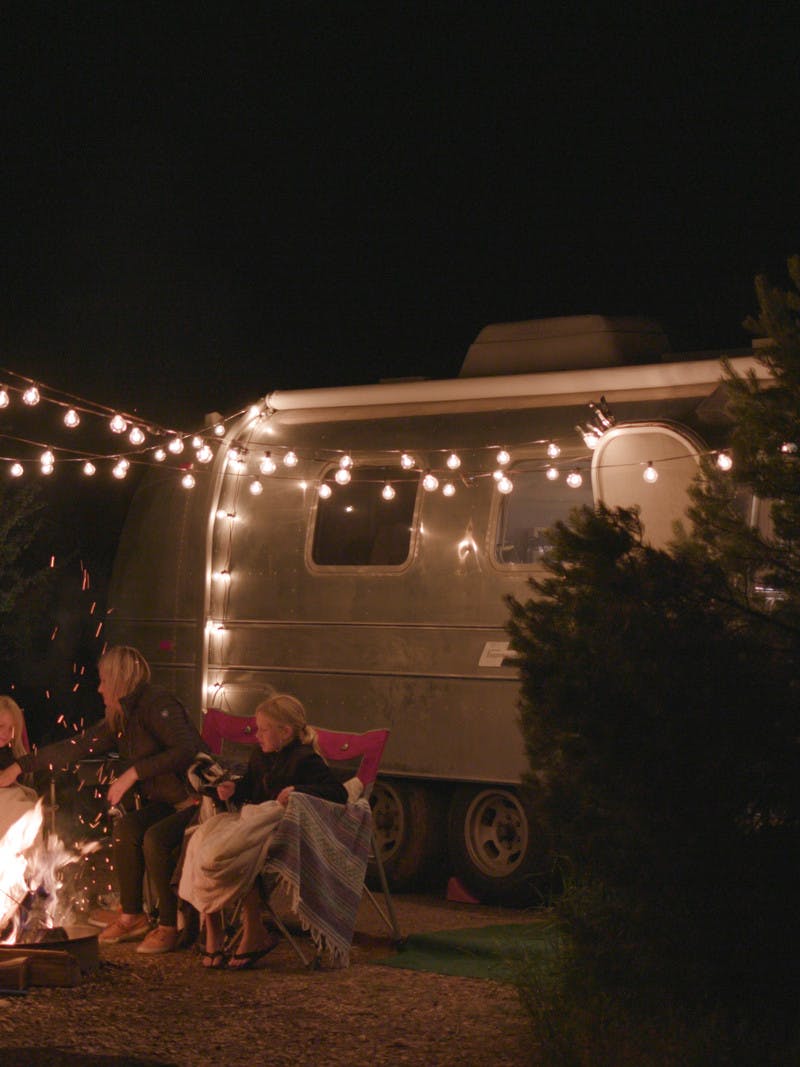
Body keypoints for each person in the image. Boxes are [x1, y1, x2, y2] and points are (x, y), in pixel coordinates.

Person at [0, 646, 203, 954]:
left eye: (103, 680)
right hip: (165, 803)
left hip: (195, 801)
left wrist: (134, 772)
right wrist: (21, 765)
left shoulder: (159, 705)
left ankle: (167, 926)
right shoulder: (122, 717)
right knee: (126, 830)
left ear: (118, 679)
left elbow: (186, 750)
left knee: (154, 840)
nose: (99, 688)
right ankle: (132, 916)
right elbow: (77, 746)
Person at [179, 693, 347, 970]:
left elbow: (338, 793)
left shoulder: (306, 760)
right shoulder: (261, 755)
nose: (257, 735)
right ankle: (213, 927)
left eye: (263, 729)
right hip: (251, 821)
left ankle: (254, 930)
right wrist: (232, 790)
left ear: (285, 731)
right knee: (200, 842)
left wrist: (298, 790)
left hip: (278, 832)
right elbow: (251, 788)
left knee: (226, 853)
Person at [0, 695, 38, 842]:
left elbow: (23, 785)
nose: (5, 733)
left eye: (11, 729)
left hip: (14, 798)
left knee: (26, 811)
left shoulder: (15, 755)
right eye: (1, 726)